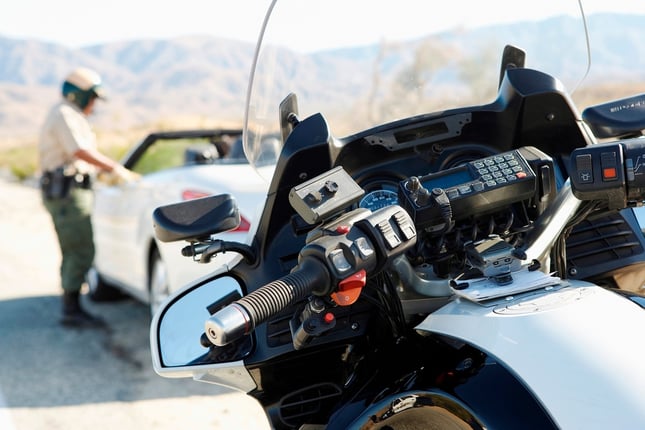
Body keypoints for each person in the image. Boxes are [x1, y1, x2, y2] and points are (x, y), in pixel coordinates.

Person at [38, 67, 138, 328]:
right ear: (78, 95)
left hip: (72, 189)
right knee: (79, 250)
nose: (94, 104)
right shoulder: (64, 113)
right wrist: (113, 168)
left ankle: (71, 305)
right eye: (91, 98)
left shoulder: (70, 115)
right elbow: (79, 150)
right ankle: (71, 310)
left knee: (76, 249)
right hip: (67, 193)